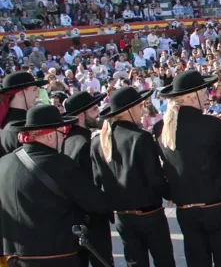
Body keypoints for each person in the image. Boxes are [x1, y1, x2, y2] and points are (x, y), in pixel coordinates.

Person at [0, 105, 109, 266]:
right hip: (55, 256)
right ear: (50, 135)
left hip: (14, 258)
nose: (63, 137)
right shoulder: (60, 164)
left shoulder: (4, 162)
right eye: (62, 132)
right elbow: (95, 203)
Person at [153, 70, 221, 266]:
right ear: (193, 96)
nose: (207, 95)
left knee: (196, 261)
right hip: (217, 206)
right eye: (204, 91)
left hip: (186, 210)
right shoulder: (210, 124)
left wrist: (172, 193)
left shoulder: (161, 128)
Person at [92, 87, 176, 266]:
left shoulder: (98, 143)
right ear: (127, 110)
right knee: (164, 261)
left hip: (122, 217)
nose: (143, 111)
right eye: (140, 106)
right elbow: (155, 178)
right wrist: (171, 194)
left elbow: (97, 182)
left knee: (135, 263)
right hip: (149, 214)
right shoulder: (140, 138)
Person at [59, 91, 114, 267]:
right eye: (93, 108)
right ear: (81, 115)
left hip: (73, 220)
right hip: (91, 221)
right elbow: (91, 184)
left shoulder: (67, 140)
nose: (98, 112)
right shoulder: (85, 143)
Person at [0, 71, 45, 156]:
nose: (37, 95)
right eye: (34, 89)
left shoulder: (4, 121)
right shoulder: (25, 124)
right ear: (21, 92)